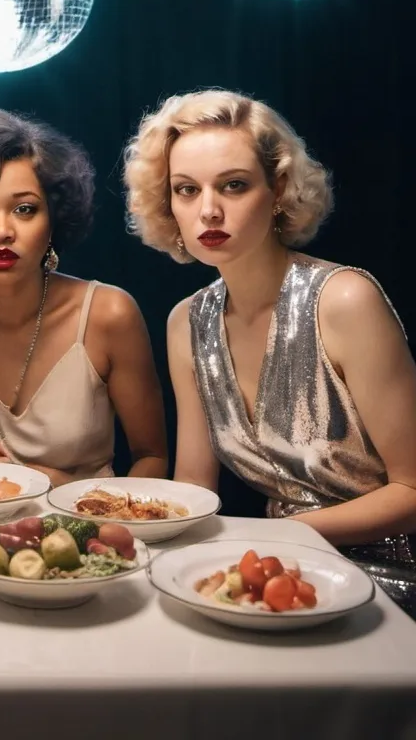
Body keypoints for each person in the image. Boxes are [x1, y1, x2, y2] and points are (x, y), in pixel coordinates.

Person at [124, 89, 416, 612]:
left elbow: (412, 491)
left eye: (233, 185)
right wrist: (118, 525)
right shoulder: (186, 322)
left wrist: (270, 538)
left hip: (391, 578)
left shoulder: (344, 299)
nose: (208, 210)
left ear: (278, 188)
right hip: (272, 576)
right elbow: (194, 486)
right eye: (186, 190)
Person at [0, 110, 168, 487]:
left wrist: (73, 495)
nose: (1, 231)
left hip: (86, 532)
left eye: (24, 209)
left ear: (55, 219)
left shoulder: (109, 314)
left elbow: (153, 457)